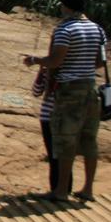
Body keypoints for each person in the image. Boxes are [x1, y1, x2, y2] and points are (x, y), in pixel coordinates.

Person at [22, 0, 106, 202]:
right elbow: (101, 61)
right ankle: (87, 189)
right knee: (89, 141)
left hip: (68, 91)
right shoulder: (98, 29)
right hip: (90, 89)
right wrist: (83, 66)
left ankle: (60, 191)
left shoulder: (65, 30)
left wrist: (35, 61)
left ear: (66, 6)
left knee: (63, 142)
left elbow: (56, 61)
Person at [30, 67, 65, 196]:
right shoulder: (70, 72)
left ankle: (56, 189)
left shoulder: (49, 71)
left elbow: (36, 91)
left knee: (53, 155)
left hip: (48, 117)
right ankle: (64, 188)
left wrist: (41, 72)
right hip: (66, 116)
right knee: (64, 155)